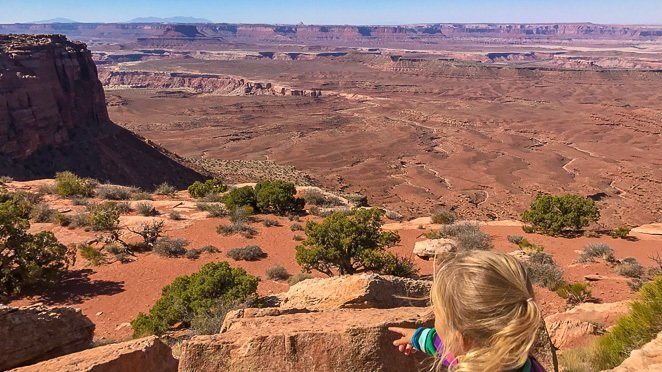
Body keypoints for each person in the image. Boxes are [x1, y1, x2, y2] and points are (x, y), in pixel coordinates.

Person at [389, 250, 545, 371]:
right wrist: (417, 337)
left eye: (436, 315)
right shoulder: (517, 359)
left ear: (461, 338)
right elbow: (442, 344)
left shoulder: (466, 357)